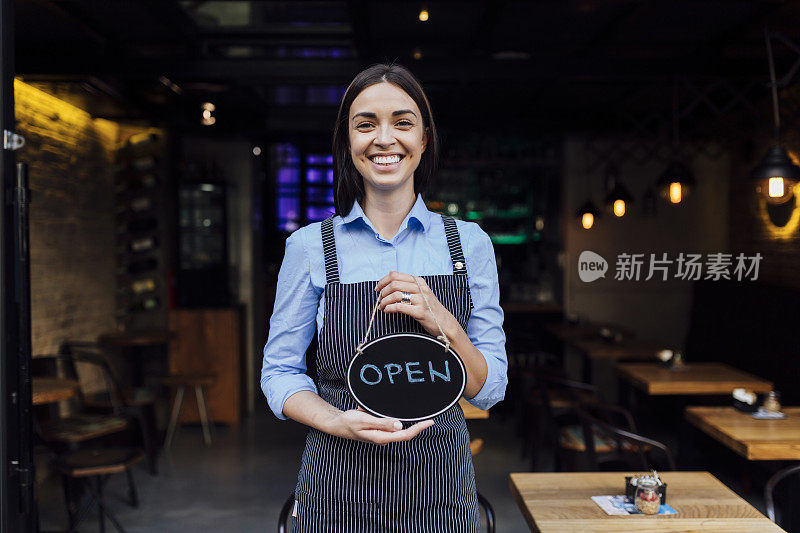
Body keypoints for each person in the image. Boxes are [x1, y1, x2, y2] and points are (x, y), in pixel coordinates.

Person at [261, 63, 507, 532]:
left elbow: (489, 388)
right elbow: (279, 373)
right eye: (366, 124)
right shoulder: (312, 246)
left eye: (403, 121)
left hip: (440, 489)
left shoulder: (468, 245)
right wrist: (335, 421)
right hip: (337, 485)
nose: (384, 138)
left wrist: (446, 324)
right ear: (348, 141)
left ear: (424, 139)